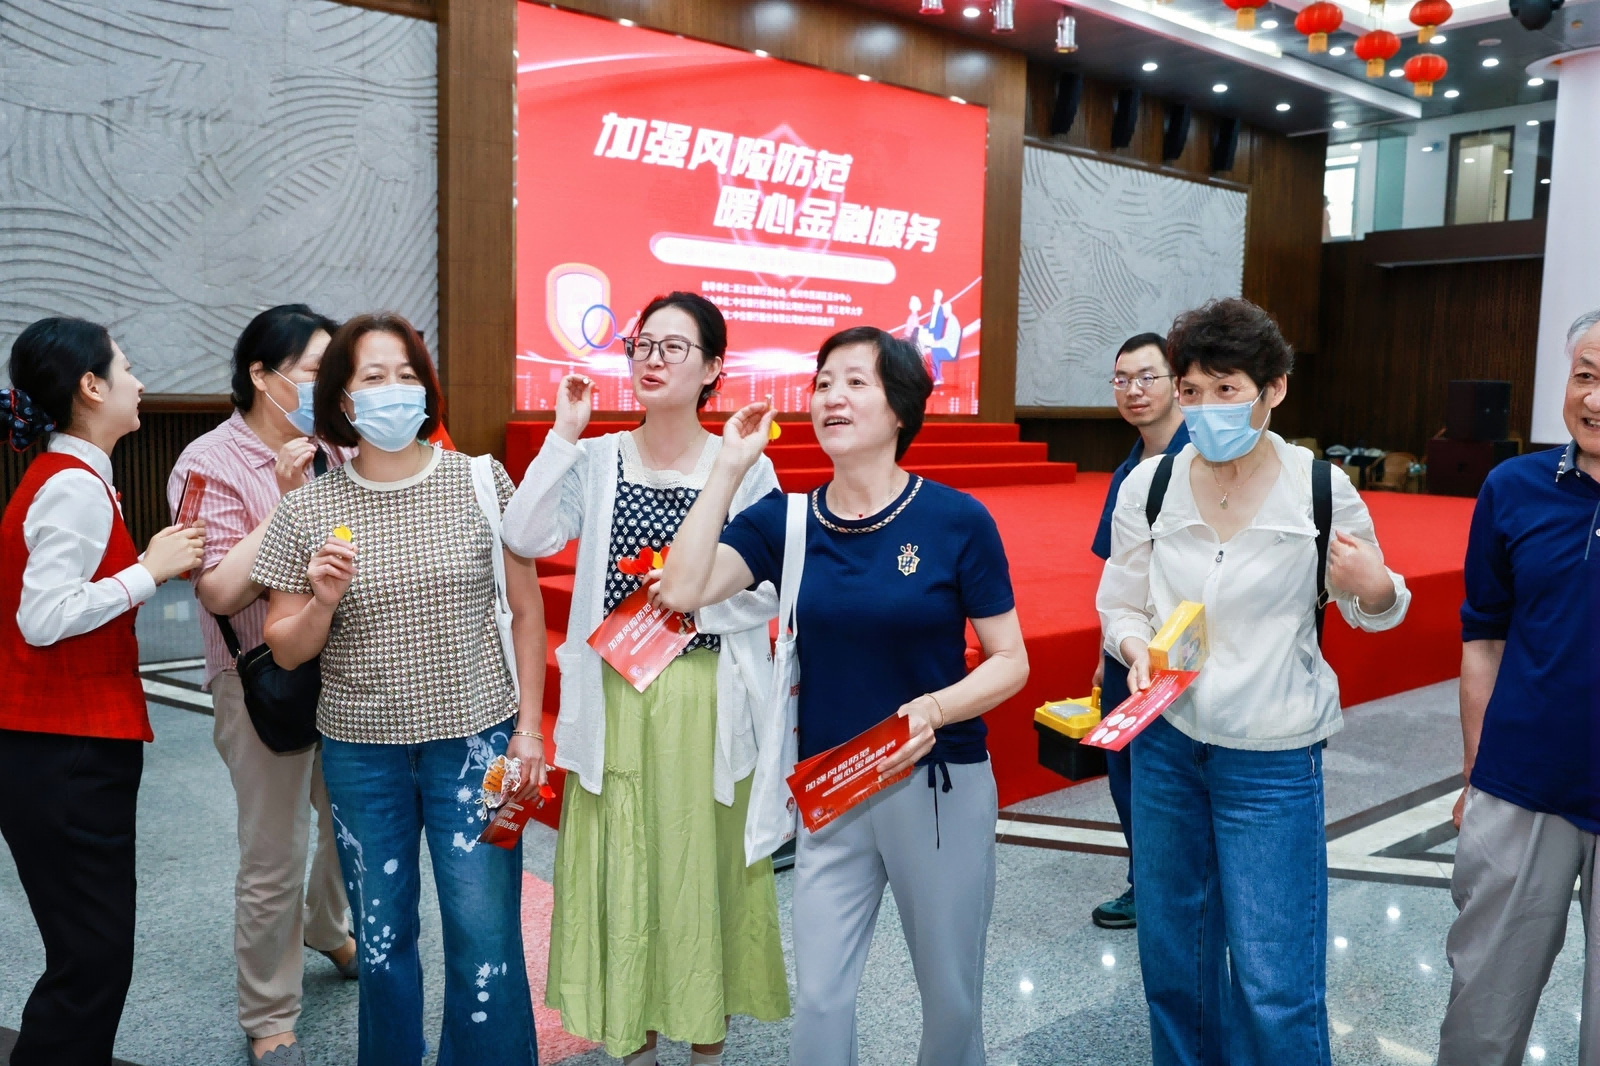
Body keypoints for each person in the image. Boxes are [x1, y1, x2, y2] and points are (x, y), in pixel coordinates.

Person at [660, 325, 1030, 1066]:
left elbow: (1010, 660)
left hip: (936, 781)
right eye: (824, 382)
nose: (833, 396)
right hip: (832, 786)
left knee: (951, 996)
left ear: (901, 408)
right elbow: (682, 589)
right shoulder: (788, 522)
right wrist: (728, 467)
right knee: (822, 999)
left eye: (857, 381)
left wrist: (937, 707)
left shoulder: (956, 521)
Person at [1096, 298, 1410, 1066]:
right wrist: (1135, 647)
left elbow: (1377, 608)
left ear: (1275, 389)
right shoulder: (1152, 485)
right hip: (1167, 747)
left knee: (1276, 979)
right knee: (1176, 965)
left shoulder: (1318, 489)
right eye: (1192, 391)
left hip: (1271, 759)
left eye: (1227, 389)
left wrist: (1373, 586)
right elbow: (1121, 602)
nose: (1206, 409)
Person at [249, 312, 545, 1066]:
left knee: (485, 938)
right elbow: (285, 646)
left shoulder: (480, 479)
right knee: (382, 945)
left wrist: (530, 730)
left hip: (475, 744)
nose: (394, 389)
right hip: (362, 754)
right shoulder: (308, 507)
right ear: (344, 400)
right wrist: (320, 601)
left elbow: (526, 610)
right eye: (373, 377)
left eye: (407, 375)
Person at [501, 291, 789, 1065]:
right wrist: (563, 435)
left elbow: (770, 589)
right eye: (643, 345)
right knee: (626, 867)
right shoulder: (599, 460)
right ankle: (634, 1045)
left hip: (703, 697)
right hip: (617, 700)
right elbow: (523, 533)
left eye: (673, 347)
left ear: (713, 368)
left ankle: (706, 1048)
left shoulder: (744, 466)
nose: (652, 360)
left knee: (699, 867)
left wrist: (692, 599)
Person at [0, 317, 205, 1066]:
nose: (139, 382)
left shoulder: (71, 478)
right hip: (67, 751)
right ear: (91, 386)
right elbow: (44, 617)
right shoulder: (73, 487)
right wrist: (149, 571)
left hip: (57, 747)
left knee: (88, 953)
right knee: (92, 959)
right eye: (126, 367)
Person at [166, 305, 357, 1066]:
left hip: (349, 673)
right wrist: (288, 503)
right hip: (261, 683)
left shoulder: (338, 448)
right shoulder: (207, 462)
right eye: (314, 370)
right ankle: (270, 1012)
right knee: (274, 852)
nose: (327, 385)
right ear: (261, 374)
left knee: (354, 824)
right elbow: (217, 588)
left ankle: (327, 925)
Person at [1437, 307, 1600, 1065]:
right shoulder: (1513, 487)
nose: (1594, 398)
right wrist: (1477, 774)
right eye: (1585, 376)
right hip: (1521, 785)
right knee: (1483, 1014)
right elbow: (1485, 637)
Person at [1086, 331, 1189, 931]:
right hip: (1129, 651)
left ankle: (1178, 887)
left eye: (1147, 377)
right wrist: (1102, 656)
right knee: (1125, 771)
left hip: (1185, 651)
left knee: (1177, 774)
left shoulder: (1201, 459)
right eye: (1122, 380)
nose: (1133, 390)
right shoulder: (1127, 471)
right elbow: (1114, 576)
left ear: (1177, 383)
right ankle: (1145, 883)